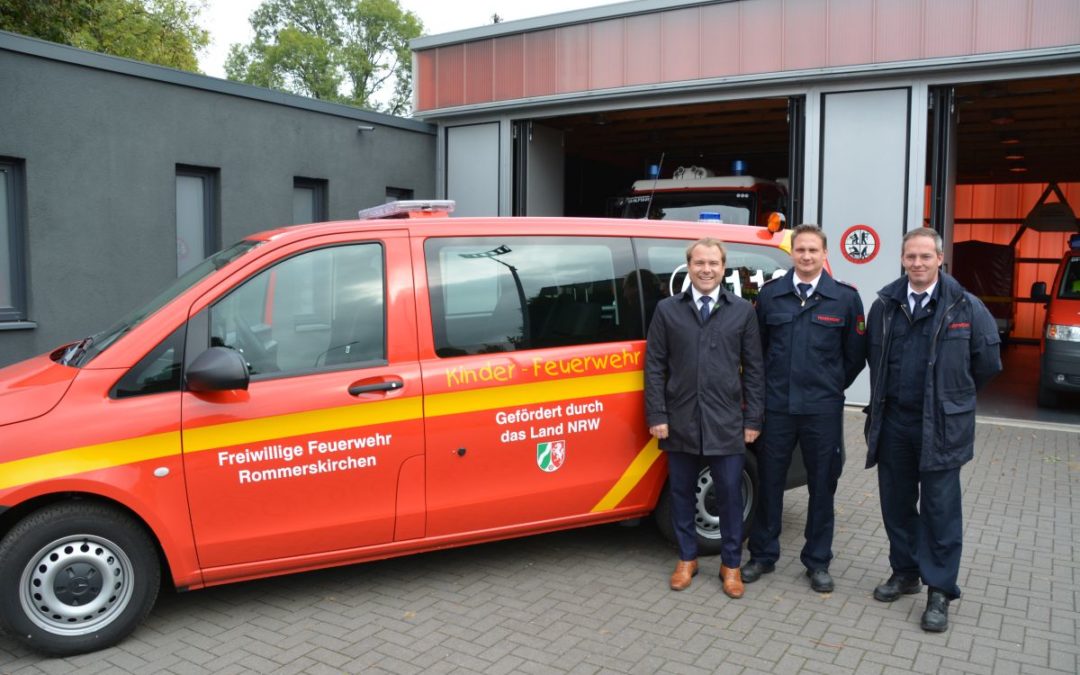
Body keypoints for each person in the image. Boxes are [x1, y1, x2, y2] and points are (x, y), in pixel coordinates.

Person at [864, 227, 1002, 632]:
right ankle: (905, 573)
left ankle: (939, 590)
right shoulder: (885, 306)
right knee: (897, 504)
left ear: (940, 259)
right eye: (911, 257)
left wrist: (953, 399)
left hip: (941, 427)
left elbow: (988, 365)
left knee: (941, 511)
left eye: (926, 256)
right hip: (894, 424)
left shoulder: (966, 307)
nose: (918, 263)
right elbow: (874, 358)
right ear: (903, 260)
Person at [742, 224, 866, 593]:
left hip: (821, 411)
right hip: (777, 409)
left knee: (822, 486)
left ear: (825, 254)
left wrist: (828, 388)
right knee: (769, 483)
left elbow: (855, 357)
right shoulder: (770, 296)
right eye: (801, 250)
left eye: (814, 250)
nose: (807, 256)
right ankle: (763, 555)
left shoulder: (844, 299)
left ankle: (817, 561)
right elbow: (757, 354)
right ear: (792, 254)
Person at [644, 237, 765, 598]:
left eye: (713, 263)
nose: (706, 269)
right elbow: (654, 367)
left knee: (729, 494)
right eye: (699, 263)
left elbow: (755, 370)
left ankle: (731, 565)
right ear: (689, 267)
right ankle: (687, 558)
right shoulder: (667, 310)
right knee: (680, 492)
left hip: (726, 420)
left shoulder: (742, 311)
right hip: (679, 418)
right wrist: (657, 414)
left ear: (723, 268)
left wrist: (753, 420)